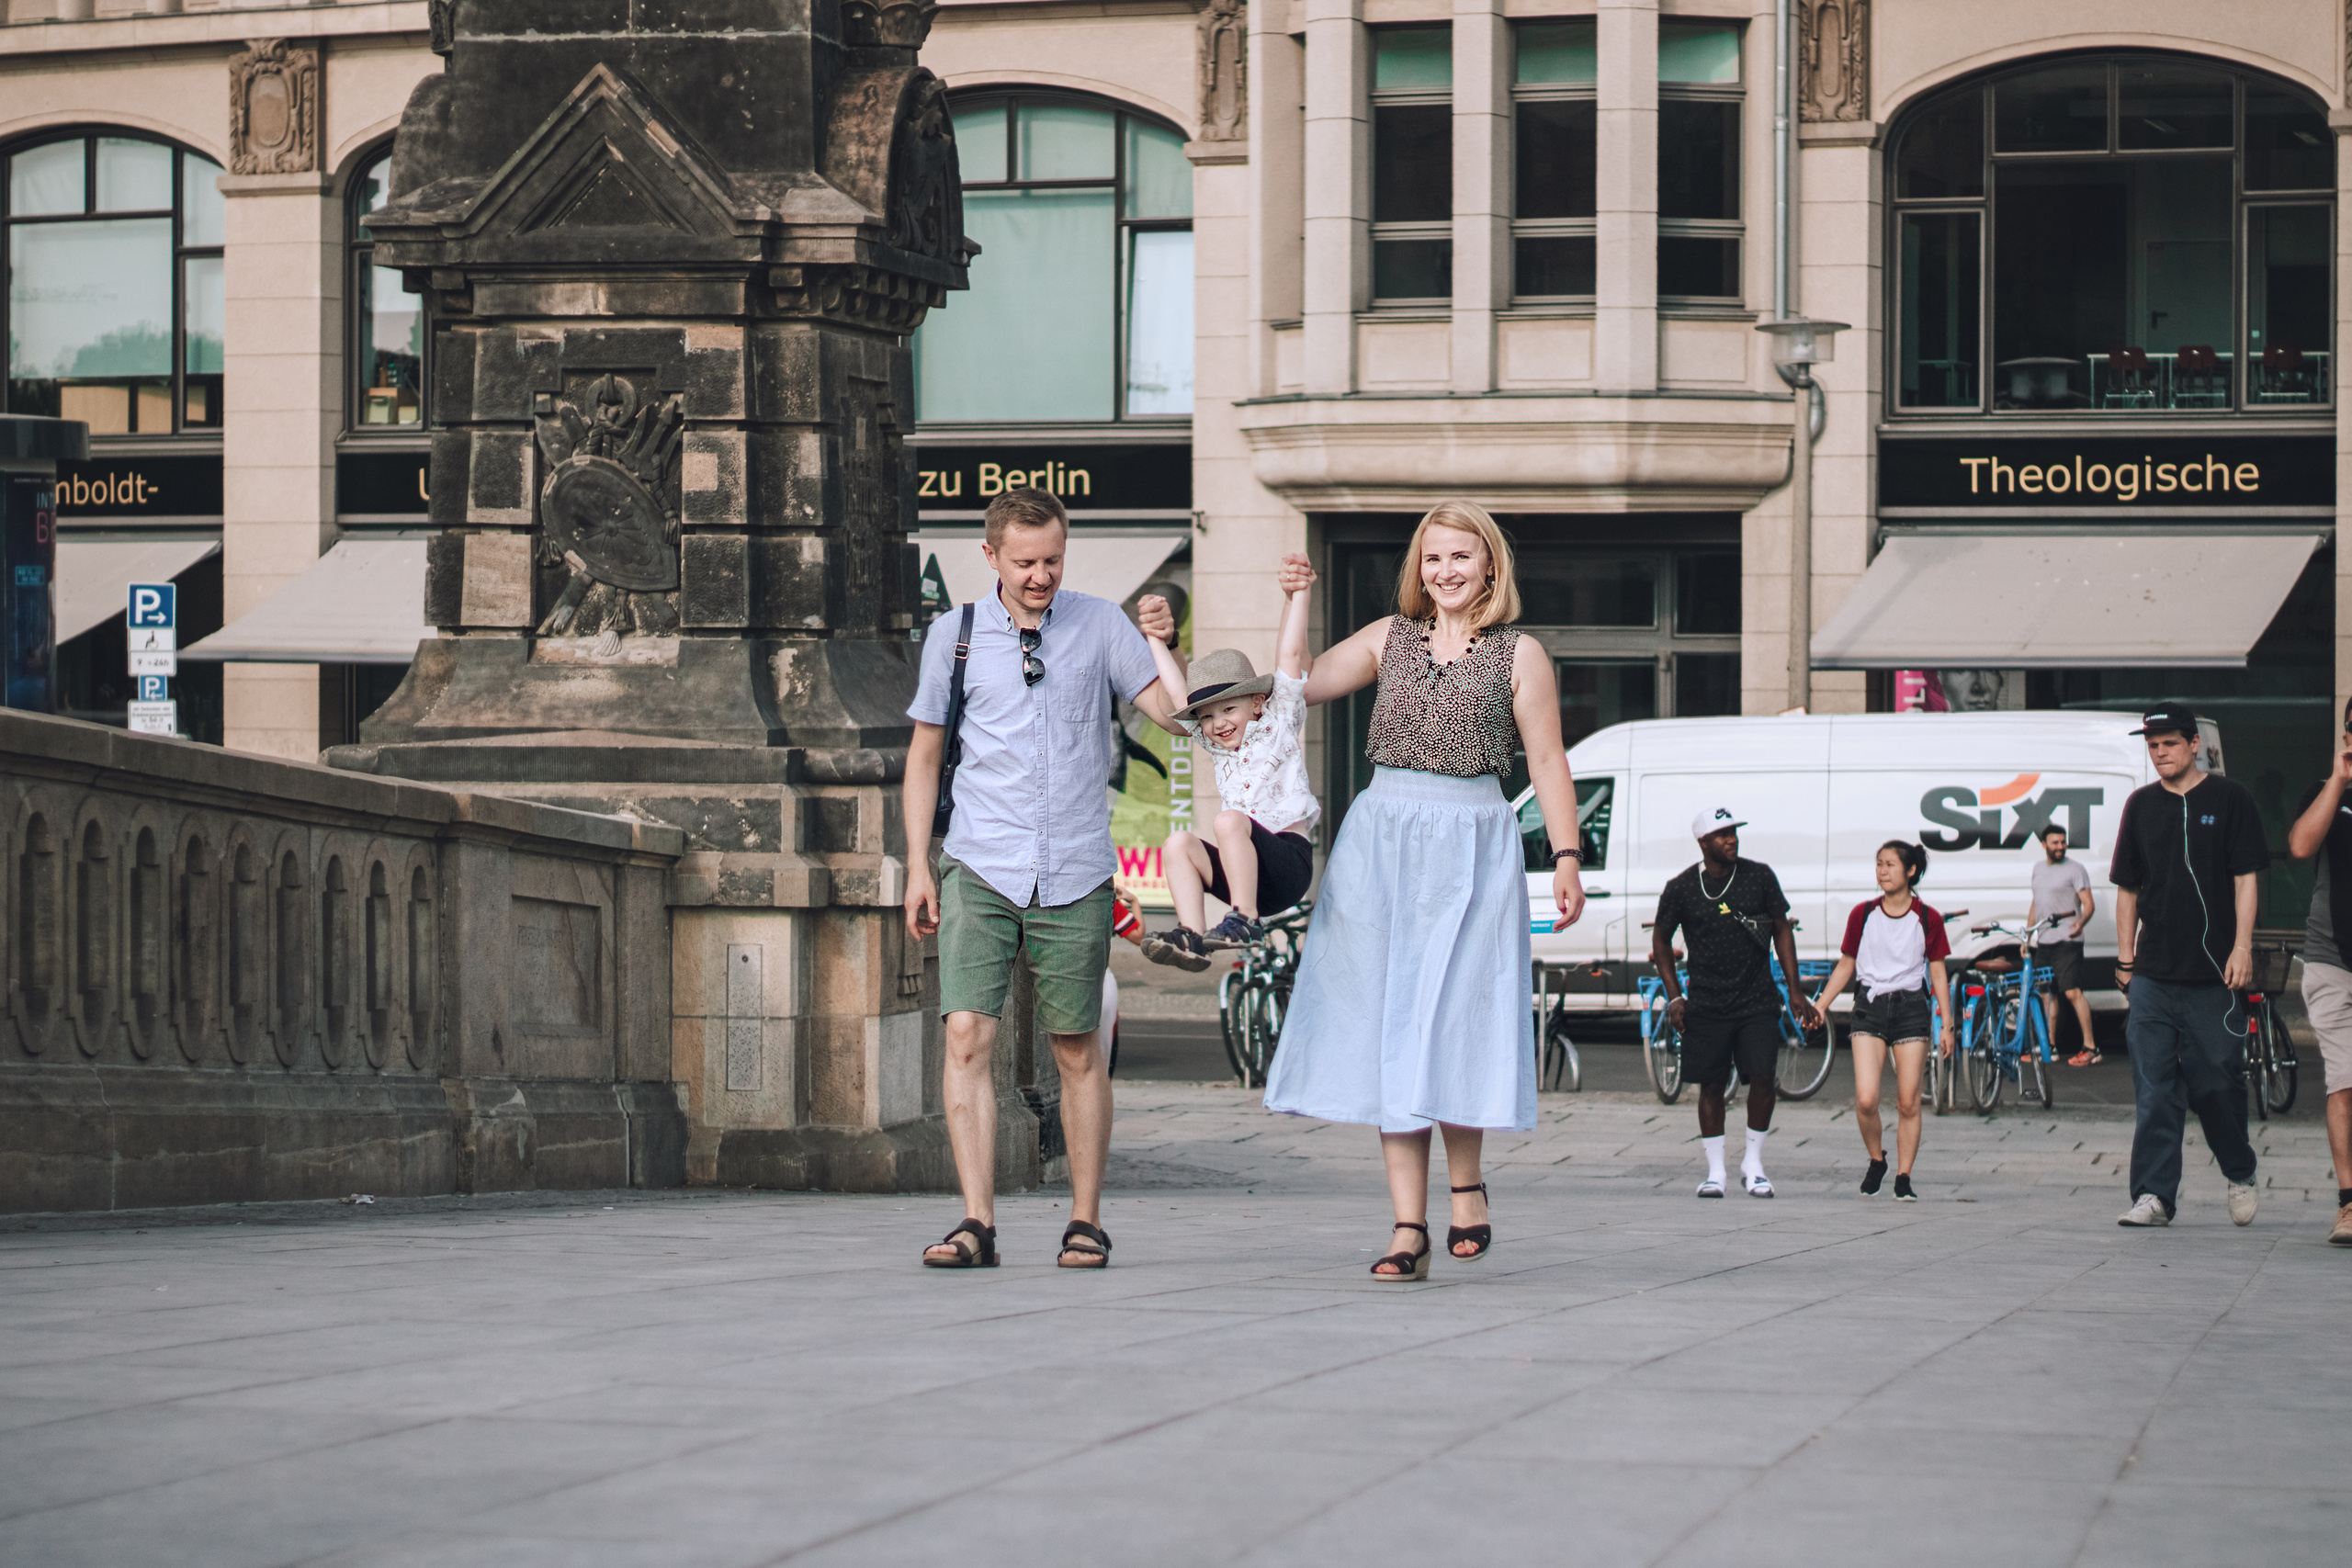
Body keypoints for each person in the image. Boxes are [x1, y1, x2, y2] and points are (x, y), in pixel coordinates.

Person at [1261, 502, 1586, 1279]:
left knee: (1457, 1017)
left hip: (1474, 835)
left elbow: (1546, 761)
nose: (1445, 571)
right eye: (1433, 558)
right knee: (1391, 1027)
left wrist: (1568, 854)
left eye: (1461, 557)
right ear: (1419, 567)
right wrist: (1297, 598)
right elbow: (1294, 686)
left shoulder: (1519, 654)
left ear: (1490, 567)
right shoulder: (1388, 637)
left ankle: (1465, 1187)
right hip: (1383, 840)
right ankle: (1408, 1225)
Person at [902, 488, 1187, 1269]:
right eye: (1026, 562)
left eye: (1053, 560)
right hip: (979, 864)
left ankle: (1085, 1220)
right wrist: (917, 867)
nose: (1041, 576)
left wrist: (1165, 643)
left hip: (1076, 870)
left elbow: (1173, 712)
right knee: (967, 1034)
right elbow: (925, 756)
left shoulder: (1101, 623)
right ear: (990, 555)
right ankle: (976, 1221)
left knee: (1075, 1046)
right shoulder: (951, 637)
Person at [2110, 706, 2267, 1229]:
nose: (2160, 754)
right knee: (2154, 1088)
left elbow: (2247, 878)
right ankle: (2154, 1194)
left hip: (2214, 975)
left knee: (2215, 1083)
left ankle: (2239, 1169)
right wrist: (2126, 962)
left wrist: (2242, 947)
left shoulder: (2230, 799)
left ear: (2195, 744)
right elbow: (2127, 890)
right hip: (2153, 973)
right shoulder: (2140, 805)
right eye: (2153, 746)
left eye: (2170, 744)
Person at [1133, 568, 1317, 967]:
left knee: (1229, 820)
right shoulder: (1212, 740)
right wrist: (1155, 641)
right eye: (1209, 716)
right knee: (1178, 842)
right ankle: (1191, 936)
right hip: (1242, 872)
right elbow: (1179, 692)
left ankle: (1245, 921)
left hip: (1288, 865)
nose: (1219, 724)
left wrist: (1298, 593)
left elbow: (1288, 655)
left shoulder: (1279, 718)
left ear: (1256, 702)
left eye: (1229, 709)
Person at [1652, 809, 1824, 1198]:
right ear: (1703, 842)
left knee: (1763, 1077)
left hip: (1757, 998)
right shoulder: (1681, 887)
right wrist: (1675, 994)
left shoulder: (1759, 876)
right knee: (1711, 1084)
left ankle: (1754, 1162)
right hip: (1707, 1003)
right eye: (1722, 834)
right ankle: (1716, 1171)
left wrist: (1795, 990)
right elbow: (1661, 940)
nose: (1731, 839)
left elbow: (1782, 929)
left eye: (1734, 833)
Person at [1810, 842, 1956, 1201]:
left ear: (1910, 871)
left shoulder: (1927, 917)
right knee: (1866, 1099)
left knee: (1908, 1101)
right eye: (1879, 864)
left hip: (1910, 1009)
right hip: (1869, 1007)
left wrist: (1947, 1025)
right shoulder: (1862, 914)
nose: (1883, 871)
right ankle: (1877, 1160)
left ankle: (1904, 1176)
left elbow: (1937, 973)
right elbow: (1846, 964)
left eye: (1890, 865)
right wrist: (1821, 1005)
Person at [2283, 699, 2352, 1246]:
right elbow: (2301, 845)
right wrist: (2338, 779)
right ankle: (2349, 1205)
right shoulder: (2330, 793)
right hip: (2332, 962)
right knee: (2344, 1081)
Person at [2028, 823, 2100, 1066]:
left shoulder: (2075, 869)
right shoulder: (2038, 869)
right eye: (2055, 842)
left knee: (2072, 992)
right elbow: (2036, 904)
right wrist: (2029, 935)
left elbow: (2088, 903)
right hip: (2044, 942)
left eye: (2063, 842)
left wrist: (2081, 922)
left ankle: (2091, 1048)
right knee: (2047, 996)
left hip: (2067, 941)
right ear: (2043, 845)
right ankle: (2049, 1047)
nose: (2061, 846)